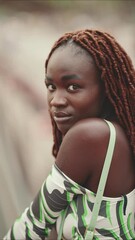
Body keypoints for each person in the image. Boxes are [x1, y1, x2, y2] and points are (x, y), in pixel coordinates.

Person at [4, 29, 135, 239]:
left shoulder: (90, 135)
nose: (56, 100)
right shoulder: (119, 135)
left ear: (105, 87)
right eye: (51, 86)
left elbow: (31, 227)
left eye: (73, 87)